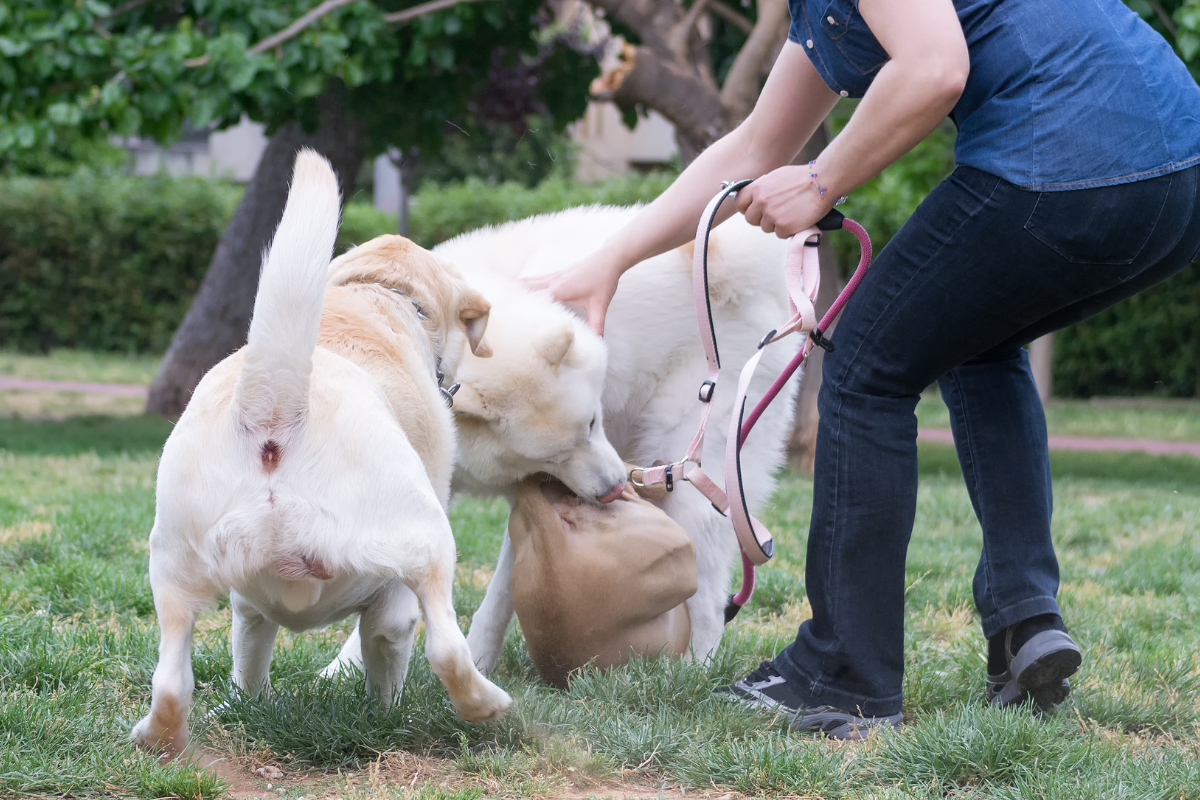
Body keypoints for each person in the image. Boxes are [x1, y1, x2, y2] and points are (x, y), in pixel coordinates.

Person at [525, 0, 1200, 737]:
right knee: (972, 341)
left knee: (865, 369)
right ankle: (1024, 622)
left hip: (1063, 153)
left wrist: (821, 181)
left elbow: (935, 68)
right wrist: (610, 263)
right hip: (1176, 175)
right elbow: (751, 146)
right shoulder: (820, 13)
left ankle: (844, 673)